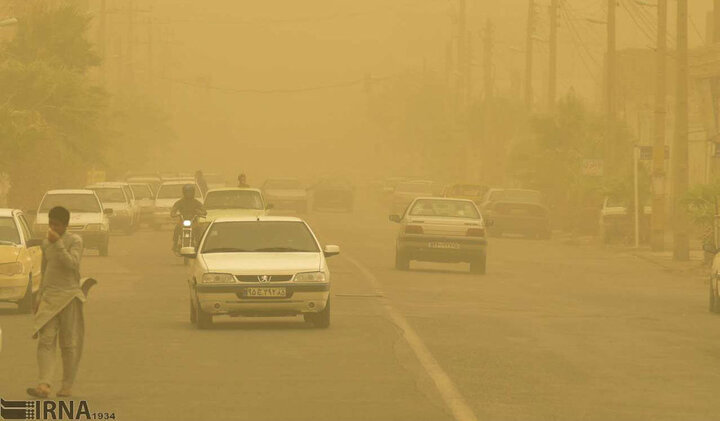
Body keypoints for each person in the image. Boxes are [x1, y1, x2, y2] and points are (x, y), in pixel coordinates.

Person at [27, 206, 85, 398]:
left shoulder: (75, 241)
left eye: (57, 225)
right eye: (50, 223)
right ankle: (44, 384)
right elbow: (46, 270)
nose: (53, 227)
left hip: (69, 297)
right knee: (45, 340)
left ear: (65, 225)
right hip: (50, 297)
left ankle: (67, 385)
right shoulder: (46, 243)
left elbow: (72, 264)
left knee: (68, 344)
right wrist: (39, 296)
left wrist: (58, 243)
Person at [170, 184, 206, 251]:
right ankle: (175, 244)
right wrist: (174, 214)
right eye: (187, 192)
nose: (188, 194)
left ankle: (199, 244)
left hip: (194, 222)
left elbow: (204, 210)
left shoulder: (196, 202)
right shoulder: (180, 202)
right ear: (184, 192)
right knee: (177, 228)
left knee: (199, 229)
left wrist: (200, 213)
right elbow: (173, 210)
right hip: (182, 221)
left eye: (190, 192)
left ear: (193, 192)